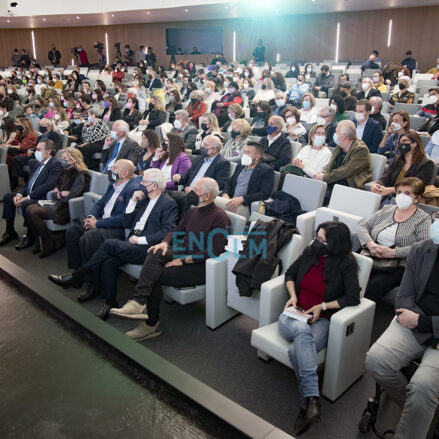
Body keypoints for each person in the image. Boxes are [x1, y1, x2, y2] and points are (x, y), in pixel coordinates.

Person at [108, 177, 231, 340]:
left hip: (201, 265)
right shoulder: (192, 211)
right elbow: (176, 230)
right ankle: (138, 302)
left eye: (196, 190)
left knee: (156, 275)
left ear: (207, 196)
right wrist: (165, 243)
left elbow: (215, 250)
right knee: (155, 251)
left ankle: (151, 325)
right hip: (182, 253)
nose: (191, 192)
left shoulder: (220, 217)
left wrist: (183, 260)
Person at [49, 168, 179, 320]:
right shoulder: (143, 199)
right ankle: (111, 303)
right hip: (131, 242)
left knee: (109, 244)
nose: (141, 184)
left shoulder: (168, 203)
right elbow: (128, 221)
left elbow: (167, 231)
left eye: (144, 182)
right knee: (109, 262)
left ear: (154, 186)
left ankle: (78, 275)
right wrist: (132, 201)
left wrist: (140, 240)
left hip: (148, 248)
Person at [278, 221, 361, 436]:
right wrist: (293, 296)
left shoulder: (346, 264)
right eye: (317, 237)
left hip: (320, 319)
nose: (318, 242)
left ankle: (306, 404)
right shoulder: (310, 252)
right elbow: (289, 274)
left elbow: (352, 297)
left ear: (335, 244)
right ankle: (314, 398)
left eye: (323, 240)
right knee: (301, 331)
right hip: (292, 316)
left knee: (296, 350)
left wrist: (322, 306)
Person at [365, 221, 439, 439]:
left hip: (422, 324)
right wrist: (419, 322)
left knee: (424, 386)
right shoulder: (422, 249)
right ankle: (419, 409)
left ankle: (420, 409)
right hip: (412, 320)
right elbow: (404, 295)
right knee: (376, 360)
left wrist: (426, 324)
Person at [359, 177, 431, 303]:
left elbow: (421, 248)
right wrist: (370, 244)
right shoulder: (387, 209)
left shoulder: (423, 218)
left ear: (417, 198)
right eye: (399, 192)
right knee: (348, 272)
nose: (401, 196)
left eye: (407, 193)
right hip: (371, 253)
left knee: (376, 284)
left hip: (399, 264)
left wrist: (393, 253)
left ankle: (355, 314)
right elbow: (363, 226)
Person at [64, 159, 139, 269]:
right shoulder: (113, 184)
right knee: (73, 231)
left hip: (115, 228)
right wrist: (91, 217)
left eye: (114, 168)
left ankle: (89, 276)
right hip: (100, 220)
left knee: (87, 238)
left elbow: (124, 218)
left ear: (125, 173)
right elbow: (100, 203)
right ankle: (77, 271)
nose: (110, 169)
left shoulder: (132, 190)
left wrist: (98, 223)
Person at [26, 148, 90, 258]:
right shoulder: (64, 173)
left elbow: (73, 196)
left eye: (65, 158)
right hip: (58, 203)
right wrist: (61, 194)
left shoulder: (80, 175)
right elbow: (56, 192)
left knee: (33, 211)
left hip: (66, 208)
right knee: (28, 208)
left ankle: (47, 243)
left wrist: (61, 195)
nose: (62, 160)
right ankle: (39, 241)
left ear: (73, 159)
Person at [0, 139, 63, 248]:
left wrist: (28, 197)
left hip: (42, 198)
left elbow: (49, 185)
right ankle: (10, 232)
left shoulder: (55, 164)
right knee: (8, 197)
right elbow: (28, 183)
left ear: (48, 151)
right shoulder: (38, 163)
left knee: (26, 203)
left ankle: (31, 236)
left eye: (38, 149)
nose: (36, 152)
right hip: (30, 194)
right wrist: (19, 194)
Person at [314, 120, 372, 203]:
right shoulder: (340, 146)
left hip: (348, 185)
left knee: (320, 197)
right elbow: (331, 165)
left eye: (336, 132)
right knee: (313, 190)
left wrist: (324, 177)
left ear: (344, 136)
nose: (334, 134)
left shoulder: (361, 149)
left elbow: (346, 171)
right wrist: (322, 174)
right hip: (334, 180)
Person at [371, 131, 434, 201]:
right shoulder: (397, 159)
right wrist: (377, 184)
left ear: (414, 144)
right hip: (389, 195)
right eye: (400, 142)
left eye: (404, 141)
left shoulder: (426, 164)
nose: (401, 144)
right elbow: (386, 176)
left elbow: (417, 187)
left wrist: (391, 190)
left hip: (407, 199)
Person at [218, 142, 273, 217]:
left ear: (257, 157)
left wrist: (242, 199)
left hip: (245, 205)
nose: (244, 155)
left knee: (212, 205)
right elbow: (229, 183)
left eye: (248, 153)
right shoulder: (240, 166)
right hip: (230, 200)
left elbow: (264, 194)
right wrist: (225, 193)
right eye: (244, 152)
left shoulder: (266, 170)